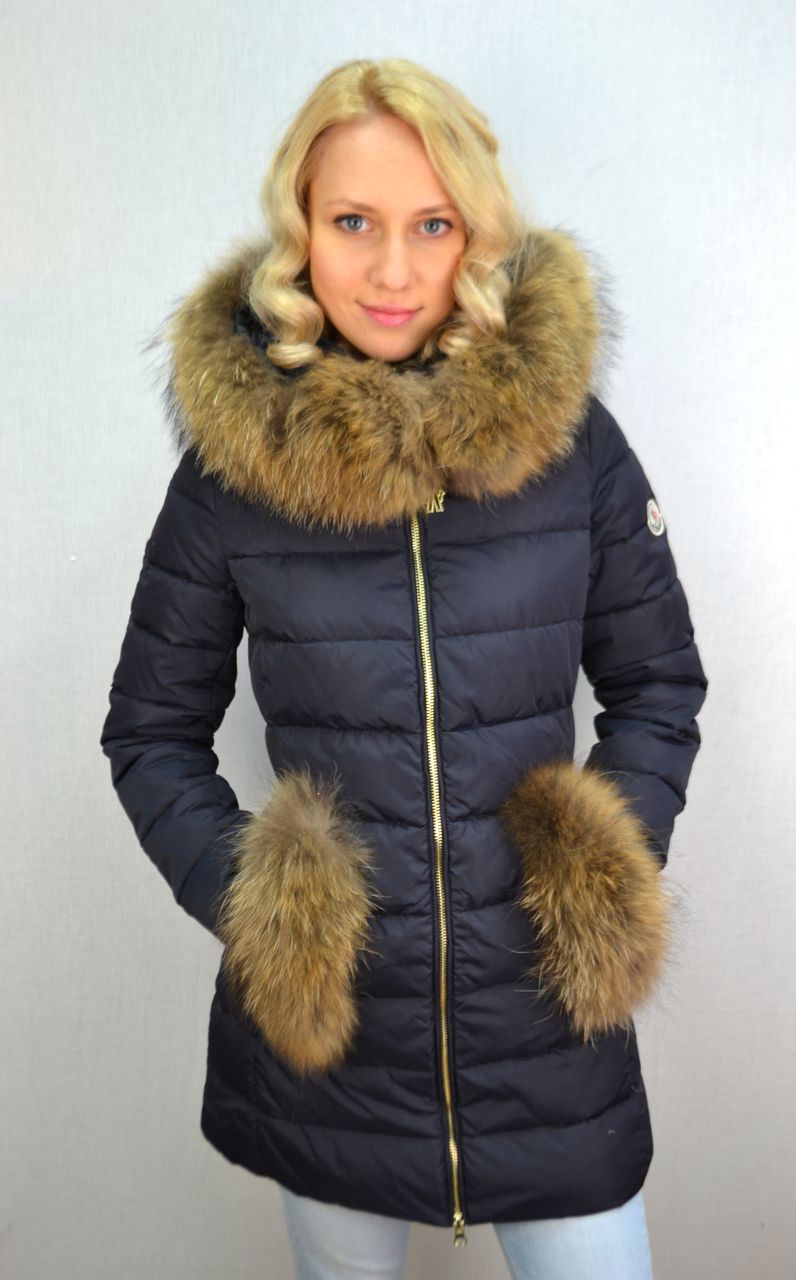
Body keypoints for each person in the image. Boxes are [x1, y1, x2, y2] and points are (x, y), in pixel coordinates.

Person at [100, 56, 708, 1278]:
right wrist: (269, 912)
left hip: (543, 1026)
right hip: (335, 1043)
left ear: (474, 232)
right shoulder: (232, 473)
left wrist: (593, 872)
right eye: (352, 222)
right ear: (300, 230)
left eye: (431, 225)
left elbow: (657, 686)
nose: (391, 270)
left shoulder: (572, 444)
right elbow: (150, 731)